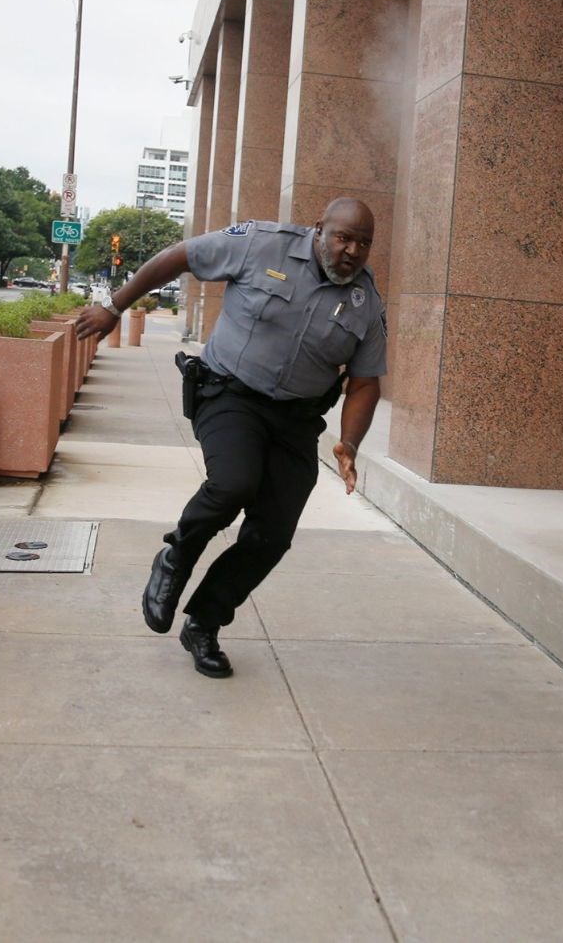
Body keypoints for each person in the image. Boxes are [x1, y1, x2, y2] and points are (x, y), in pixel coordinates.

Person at [74, 197, 386, 679]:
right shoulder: (261, 243)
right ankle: (177, 556)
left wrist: (350, 443)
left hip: (296, 420)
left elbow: (365, 382)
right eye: (344, 238)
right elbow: (182, 255)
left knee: (272, 535)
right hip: (229, 393)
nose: (352, 251)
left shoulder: (367, 301)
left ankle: (204, 623)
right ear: (318, 229)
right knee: (234, 483)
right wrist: (115, 306)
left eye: (363, 243)